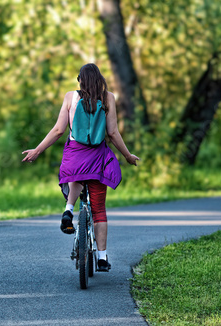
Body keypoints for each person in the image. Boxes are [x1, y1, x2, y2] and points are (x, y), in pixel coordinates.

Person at [22, 63, 139, 271]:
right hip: (97, 158)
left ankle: (68, 209)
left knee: (76, 173)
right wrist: (128, 156)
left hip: (75, 155)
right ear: (100, 80)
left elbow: (58, 130)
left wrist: (37, 151)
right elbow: (112, 133)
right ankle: (102, 258)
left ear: (80, 80)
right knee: (99, 209)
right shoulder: (109, 98)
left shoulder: (70, 97)